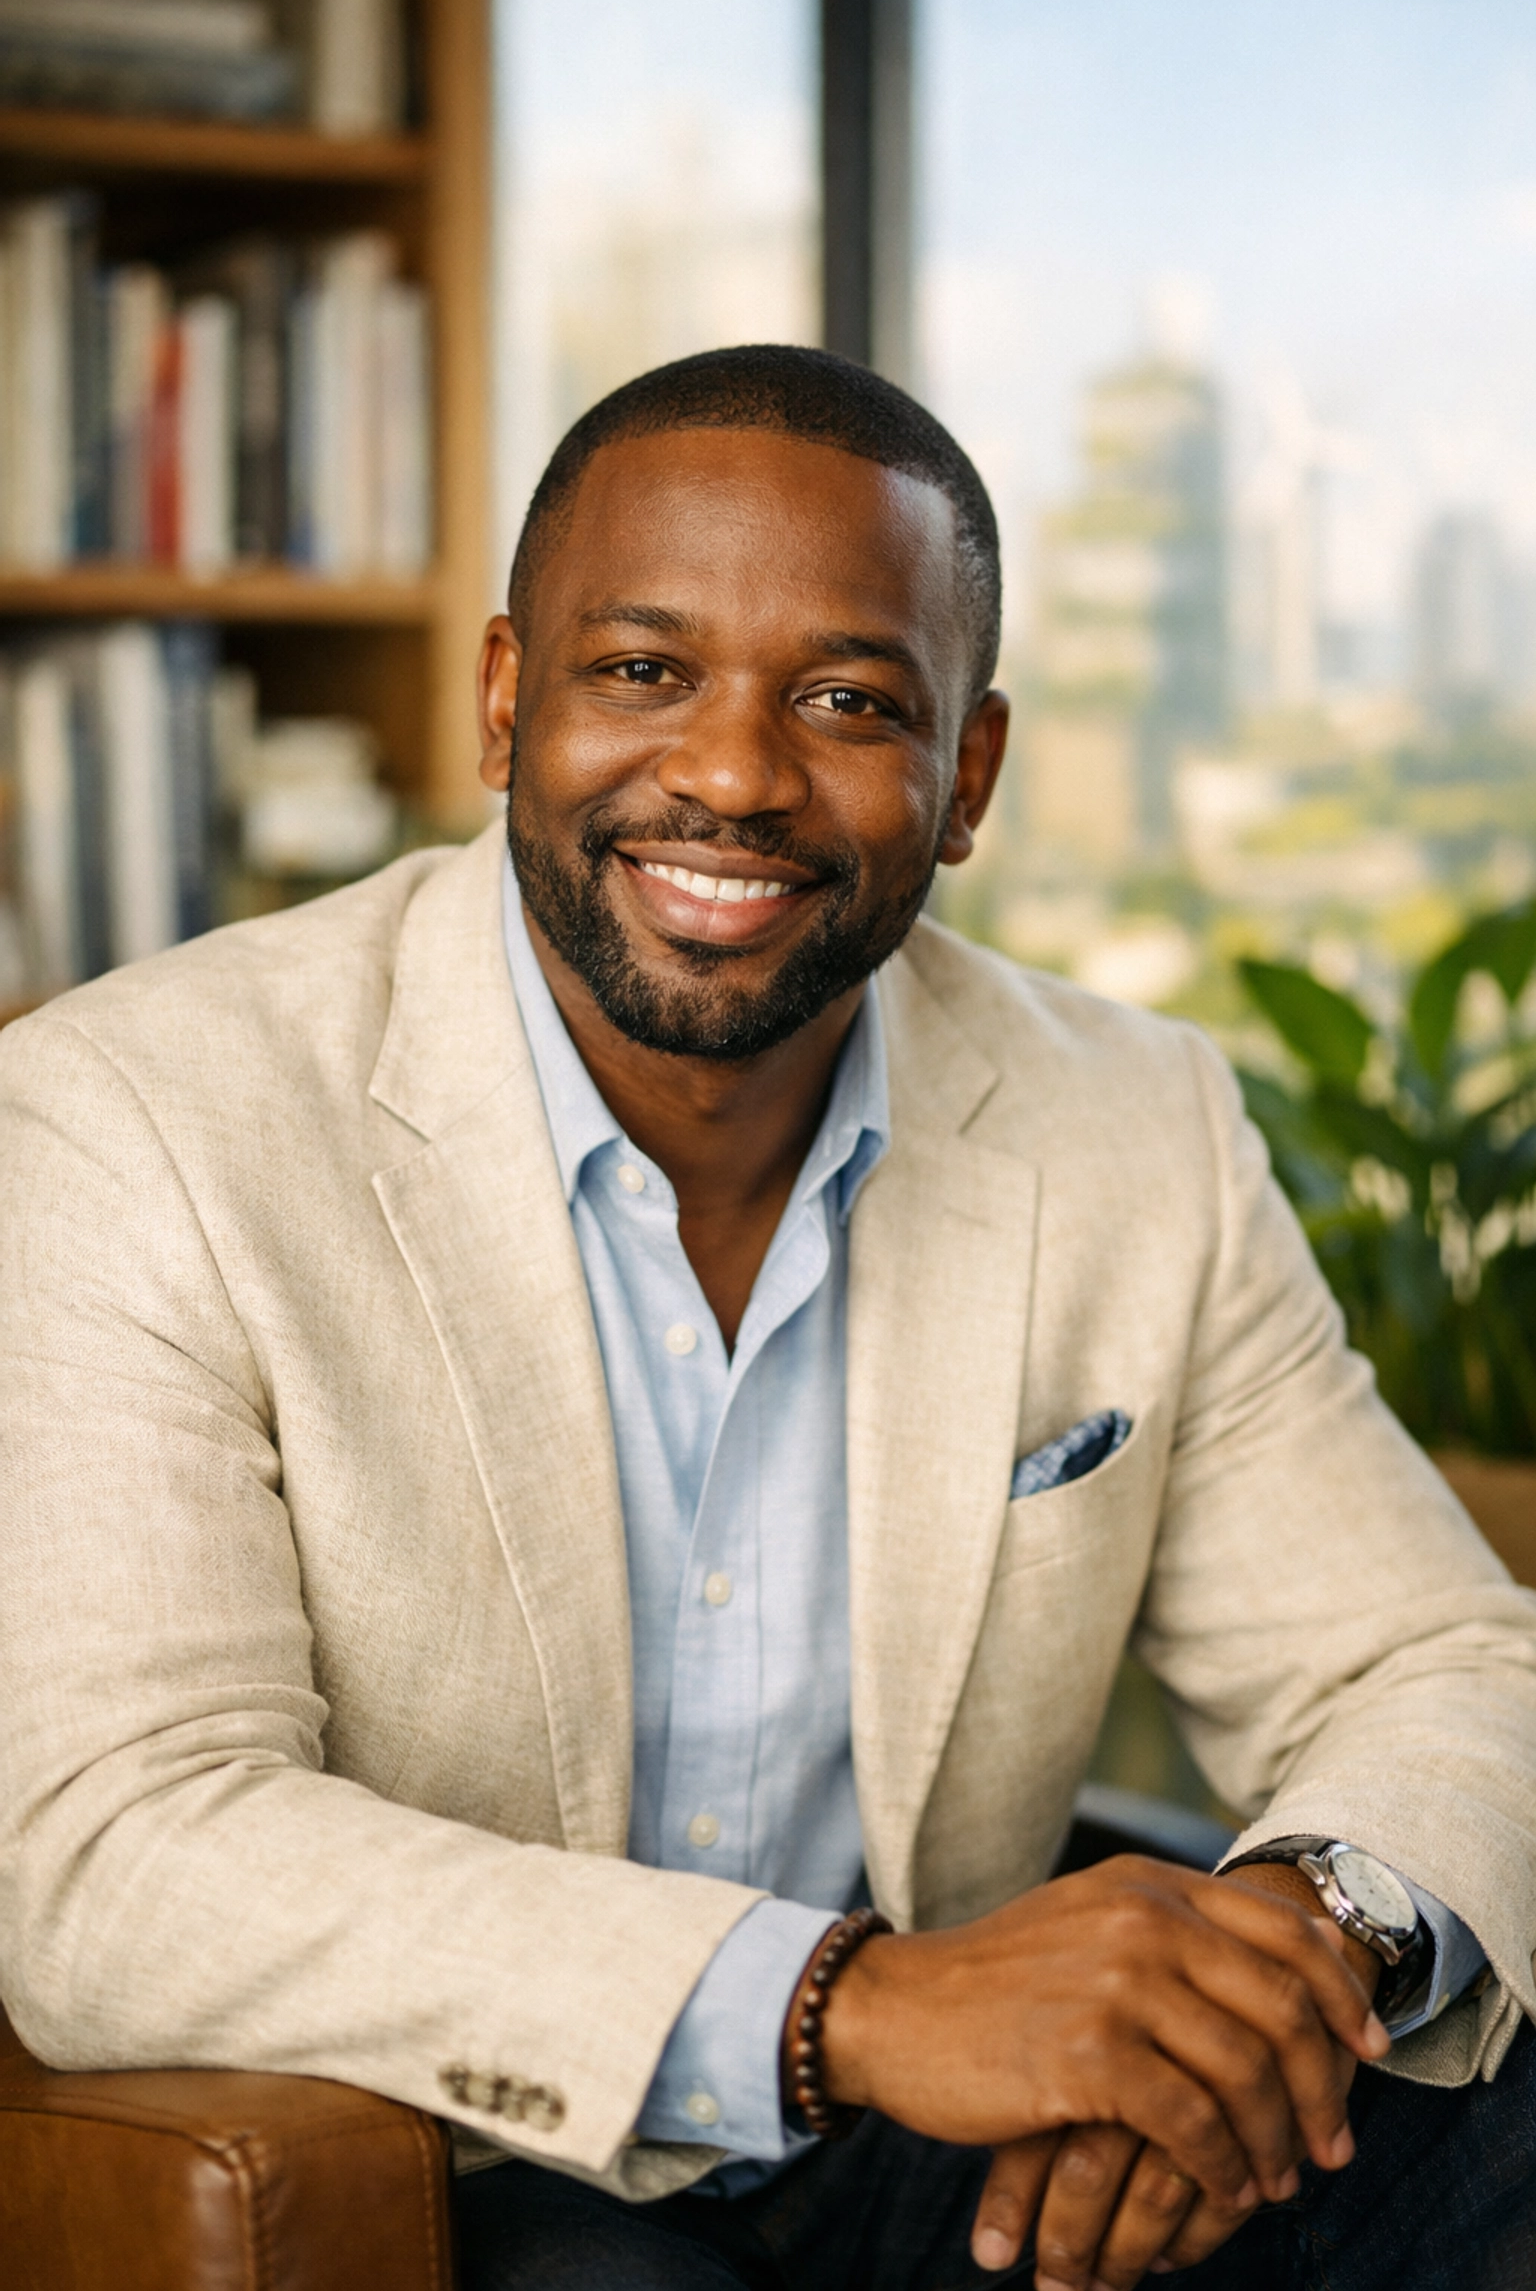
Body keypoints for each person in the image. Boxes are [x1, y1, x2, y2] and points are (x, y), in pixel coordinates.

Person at [1, 346, 1534, 2291]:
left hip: (964, 2149)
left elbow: (1440, 1661)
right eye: (644, 670)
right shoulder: (134, 1122)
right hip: (483, 2148)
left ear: (969, 777)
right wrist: (850, 2005)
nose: (732, 774)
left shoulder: (1134, 1125)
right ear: (505, 700)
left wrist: (1306, 1953)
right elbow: (119, 1851)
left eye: (849, 701)